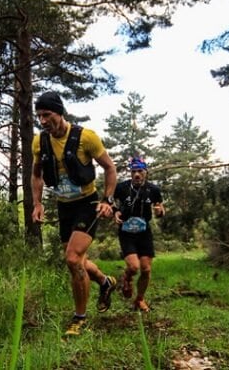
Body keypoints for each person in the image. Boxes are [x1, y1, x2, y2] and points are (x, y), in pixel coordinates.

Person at [31, 91, 118, 337]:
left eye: (47, 114)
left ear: (60, 112)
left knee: (72, 259)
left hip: (87, 203)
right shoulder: (40, 142)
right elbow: (36, 174)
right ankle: (105, 282)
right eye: (39, 116)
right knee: (77, 260)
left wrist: (107, 200)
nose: (43, 120)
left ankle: (79, 318)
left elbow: (110, 168)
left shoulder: (85, 137)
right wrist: (37, 203)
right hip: (64, 205)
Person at [112, 156, 165, 312]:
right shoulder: (121, 187)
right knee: (134, 267)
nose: (136, 174)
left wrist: (160, 212)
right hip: (126, 232)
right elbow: (110, 201)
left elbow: (160, 207)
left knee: (146, 269)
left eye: (140, 171)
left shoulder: (154, 190)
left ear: (145, 172)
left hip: (144, 232)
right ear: (130, 172)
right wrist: (115, 212)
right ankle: (126, 278)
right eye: (134, 171)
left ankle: (140, 299)